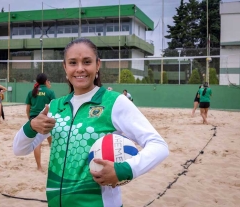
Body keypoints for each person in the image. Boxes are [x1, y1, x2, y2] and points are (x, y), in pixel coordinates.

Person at [13, 38, 169, 206]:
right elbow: (19, 149)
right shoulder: (55, 106)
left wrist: (123, 170)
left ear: (97, 65)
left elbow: (159, 145)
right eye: (73, 63)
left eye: (87, 62)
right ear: (65, 67)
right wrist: (31, 126)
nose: (80, 68)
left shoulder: (115, 102)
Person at [25, 73, 55, 171]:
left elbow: (27, 109)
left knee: (37, 143)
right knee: (53, 143)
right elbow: (54, 108)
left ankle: (39, 167)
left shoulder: (31, 92)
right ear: (46, 81)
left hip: (34, 119)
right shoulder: (50, 92)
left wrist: (30, 120)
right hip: (46, 119)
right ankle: (54, 164)